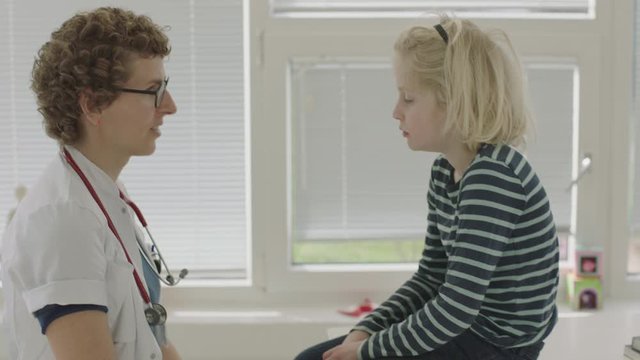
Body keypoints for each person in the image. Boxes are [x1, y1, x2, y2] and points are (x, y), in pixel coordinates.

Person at [295, 15, 559, 360]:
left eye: (408, 98)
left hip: (497, 346)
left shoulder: (493, 178)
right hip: (465, 328)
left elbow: (455, 308)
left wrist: (367, 351)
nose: (395, 112)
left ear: (453, 101)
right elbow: (431, 277)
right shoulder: (444, 172)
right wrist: (366, 329)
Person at [1, 7, 182, 360]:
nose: (170, 107)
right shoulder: (62, 217)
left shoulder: (107, 195)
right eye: (152, 91)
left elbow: (154, 336)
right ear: (92, 105)